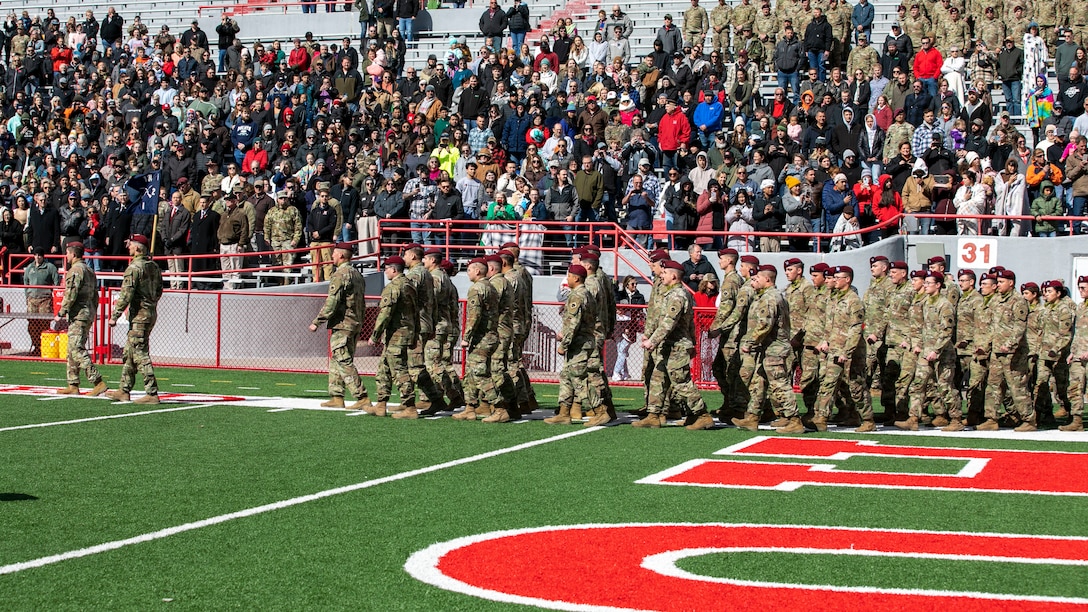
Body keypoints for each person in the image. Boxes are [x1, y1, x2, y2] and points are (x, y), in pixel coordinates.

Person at [634, 259, 713, 429]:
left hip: (676, 347)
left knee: (681, 382)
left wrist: (652, 341)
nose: (662, 276)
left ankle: (701, 414)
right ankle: (654, 415)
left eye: (665, 273)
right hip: (668, 346)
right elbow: (690, 323)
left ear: (674, 276)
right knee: (658, 378)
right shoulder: (672, 294)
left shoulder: (678, 295)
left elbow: (669, 323)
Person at [731, 265, 804, 433]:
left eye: (757, 278)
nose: (754, 281)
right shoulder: (769, 296)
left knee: (779, 384)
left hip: (775, 349)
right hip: (768, 348)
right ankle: (752, 417)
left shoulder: (770, 298)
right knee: (759, 382)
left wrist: (750, 342)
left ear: (767, 279)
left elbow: (764, 325)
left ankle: (794, 419)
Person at [895, 271, 961, 430]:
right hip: (926, 351)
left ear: (938, 285)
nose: (925, 286)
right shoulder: (926, 303)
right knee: (918, 384)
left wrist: (936, 350)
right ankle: (913, 418)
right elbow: (920, 327)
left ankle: (956, 419)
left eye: (928, 283)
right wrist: (917, 344)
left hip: (942, 354)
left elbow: (947, 331)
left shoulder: (945, 305)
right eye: (924, 283)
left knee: (945, 386)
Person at [809, 265, 871, 431]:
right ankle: (821, 418)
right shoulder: (834, 299)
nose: (834, 280)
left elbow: (856, 328)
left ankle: (867, 419)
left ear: (847, 279)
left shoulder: (854, 301)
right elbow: (829, 325)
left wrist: (847, 352)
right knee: (828, 383)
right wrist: (825, 341)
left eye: (838, 278)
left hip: (851, 351)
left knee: (856, 386)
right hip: (834, 349)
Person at [309, 243, 371, 410]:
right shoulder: (357, 274)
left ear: (342, 256)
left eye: (335, 253)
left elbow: (333, 301)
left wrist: (317, 321)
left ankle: (361, 396)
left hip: (343, 323)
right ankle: (337, 396)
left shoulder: (340, 274)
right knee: (337, 359)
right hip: (354, 322)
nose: (332, 256)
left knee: (343, 360)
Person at [106, 235, 163, 404]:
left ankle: (152, 392)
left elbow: (126, 295)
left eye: (130, 245)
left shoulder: (134, 268)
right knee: (130, 352)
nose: (128, 248)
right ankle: (124, 389)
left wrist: (114, 316)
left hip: (140, 315)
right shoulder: (154, 266)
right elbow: (160, 290)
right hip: (150, 312)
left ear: (137, 249)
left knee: (139, 352)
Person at [979, 269, 1036, 431]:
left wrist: (1010, 344)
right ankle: (992, 418)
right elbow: (992, 326)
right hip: (997, 351)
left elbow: (1020, 326)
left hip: (1014, 353)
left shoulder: (1019, 301)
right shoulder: (996, 300)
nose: (998, 285)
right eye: (997, 282)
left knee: (1017, 386)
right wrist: (986, 345)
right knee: (994, 385)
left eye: (1002, 282)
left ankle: (1029, 420)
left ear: (1011, 283)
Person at [547, 263, 600, 425]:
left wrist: (564, 343)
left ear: (576, 278)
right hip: (580, 342)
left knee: (579, 379)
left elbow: (573, 323)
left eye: (569, 276)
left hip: (579, 344)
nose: (567, 279)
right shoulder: (584, 293)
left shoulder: (577, 295)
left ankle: (599, 409)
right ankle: (564, 412)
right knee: (566, 377)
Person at [453, 258, 503, 421]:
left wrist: (466, 337)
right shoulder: (490, 286)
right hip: (489, 335)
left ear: (477, 271)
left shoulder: (477, 288)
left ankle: (500, 407)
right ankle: (470, 407)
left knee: (478, 372)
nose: (467, 273)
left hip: (483, 337)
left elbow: (473, 316)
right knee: (470, 373)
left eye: (469, 270)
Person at [366, 256, 417, 417]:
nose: (385, 271)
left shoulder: (393, 287)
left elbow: (385, 314)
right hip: (406, 332)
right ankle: (381, 404)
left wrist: (375, 335)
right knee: (384, 370)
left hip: (396, 334)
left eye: (386, 268)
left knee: (399, 371)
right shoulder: (410, 285)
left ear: (394, 270)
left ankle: (410, 407)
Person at [54, 242, 106, 397]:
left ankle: (97, 381)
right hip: (87, 313)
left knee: (76, 349)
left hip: (79, 314)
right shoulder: (89, 270)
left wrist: (61, 312)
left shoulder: (75, 270)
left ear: (73, 254)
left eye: (68, 253)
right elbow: (95, 295)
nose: (67, 256)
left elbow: (71, 293)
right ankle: (73, 384)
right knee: (71, 349)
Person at [1061, 276, 1088, 431]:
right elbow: (1077, 332)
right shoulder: (1080, 307)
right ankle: (1077, 420)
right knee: (1075, 387)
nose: (1081, 291)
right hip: (1079, 354)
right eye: (1079, 288)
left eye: (1084, 287)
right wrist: (1072, 351)